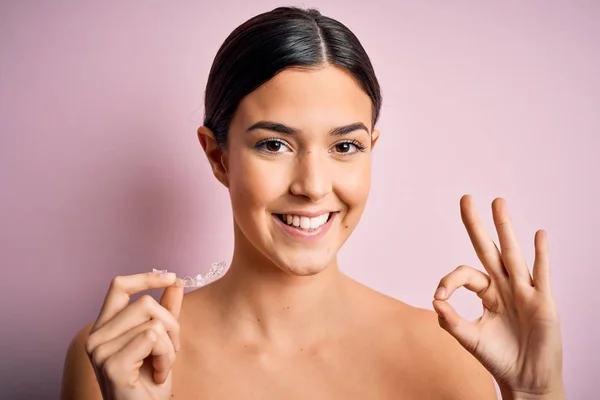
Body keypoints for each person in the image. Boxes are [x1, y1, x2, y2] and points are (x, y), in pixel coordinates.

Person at [60, 6, 565, 400]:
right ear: (218, 157)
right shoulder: (122, 358)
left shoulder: (453, 355)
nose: (313, 185)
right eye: (273, 144)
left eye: (345, 146)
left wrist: (534, 393)